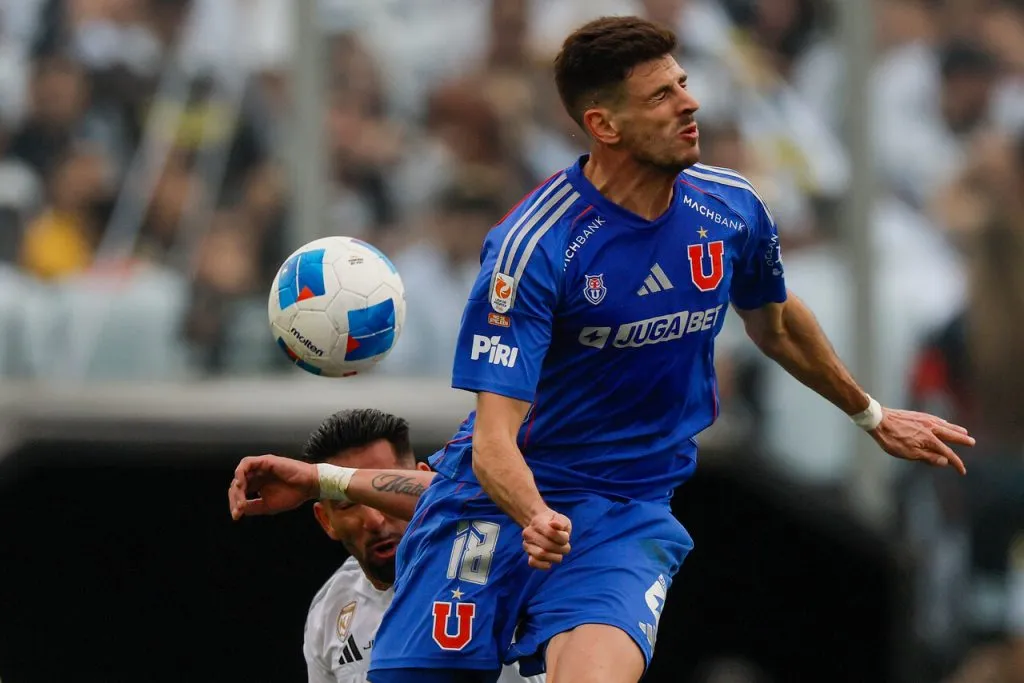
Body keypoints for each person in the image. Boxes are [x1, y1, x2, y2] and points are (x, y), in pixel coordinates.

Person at [230, 16, 975, 683]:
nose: (689, 104)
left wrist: (873, 414)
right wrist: (531, 512)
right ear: (604, 124)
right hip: (490, 508)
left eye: (683, 85)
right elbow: (491, 446)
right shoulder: (534, 249)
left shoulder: (731, 208)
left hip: (622, 513)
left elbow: (775, 322)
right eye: (661, 96)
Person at [252, 408, 539, 683]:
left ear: (421, 476)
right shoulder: (329, 612)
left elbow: (466, 499)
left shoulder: (490, 552)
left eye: (383, 493)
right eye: (348, 504)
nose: (374, 520)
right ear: (326, 520)